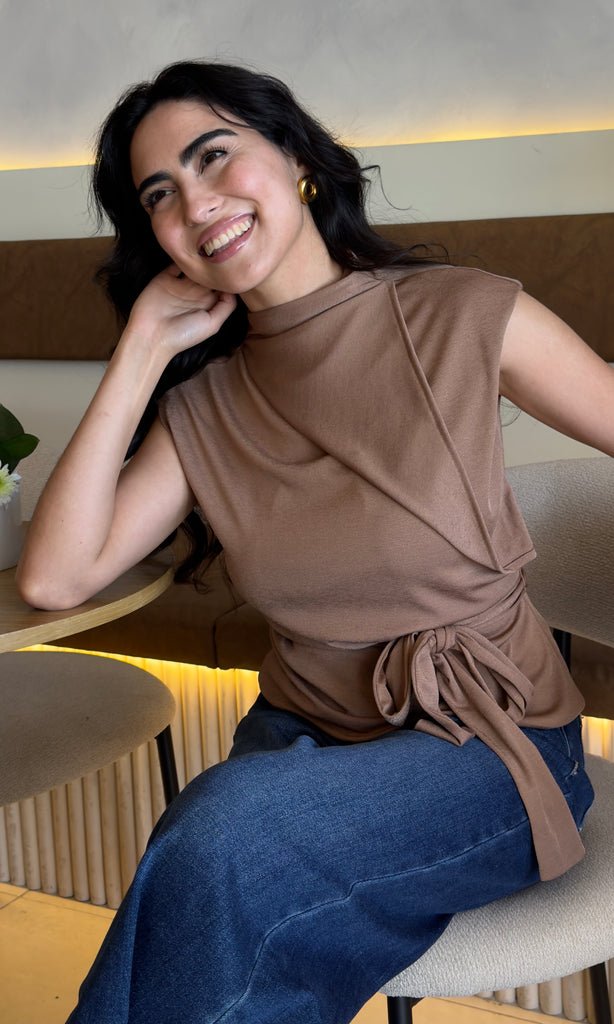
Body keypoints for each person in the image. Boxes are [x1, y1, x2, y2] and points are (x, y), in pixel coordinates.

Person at [16, 59, 612, 1024]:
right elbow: (55, 578)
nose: (196, 203)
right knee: (213, 878)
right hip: (305, 740)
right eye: (159, 195)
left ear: (296, 156)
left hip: (493, 746)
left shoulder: (461, 313)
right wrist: (140, 350)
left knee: (223, 838)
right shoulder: (203, 405)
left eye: (215, 156)